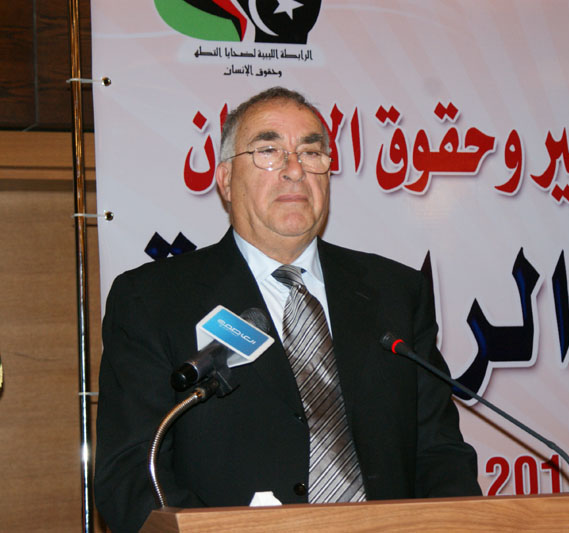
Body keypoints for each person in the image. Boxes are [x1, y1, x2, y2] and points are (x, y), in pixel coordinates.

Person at [94, 87, 481, 532]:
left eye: (311, 153)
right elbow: (131, 475)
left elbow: (440, 452)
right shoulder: (152, 300)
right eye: (268, 151)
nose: (295, 170)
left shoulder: (395, 292)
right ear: (225, 180)